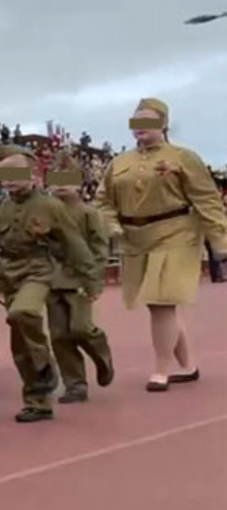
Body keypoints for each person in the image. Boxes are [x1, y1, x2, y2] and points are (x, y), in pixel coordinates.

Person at [95, 98, 227, 392]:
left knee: (161, 301)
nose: (141, 127)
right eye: (136, 121)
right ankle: (189, 365)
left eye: (148, 121)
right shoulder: (119, 163)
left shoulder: (183, 157)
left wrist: (221, 240)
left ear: (164, 124)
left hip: (176, 232)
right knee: (159, 305)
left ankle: (161, 368)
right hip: (136, 237)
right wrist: (112, 227)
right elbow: (103, 201)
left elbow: (206, 200)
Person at [0, 145, 98, 423]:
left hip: (38, 271)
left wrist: (91, 280)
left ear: (33, 174)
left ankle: (47, 363)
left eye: (15, 173)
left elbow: (74, 244)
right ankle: (38, 401)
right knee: (20, 342)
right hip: (9, 275)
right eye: (3, 174)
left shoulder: (50, 206)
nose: (8, 179)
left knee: (24, 313)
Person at [45, 158, 114, 404]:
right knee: (59, 335)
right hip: (52, 280)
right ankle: (75, 384)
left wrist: (93, 279)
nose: (61, 186)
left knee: (81, 328)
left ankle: (101, 352)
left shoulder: (88, 213)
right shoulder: (44, 212)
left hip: (80, 280)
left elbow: (99, 248)